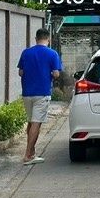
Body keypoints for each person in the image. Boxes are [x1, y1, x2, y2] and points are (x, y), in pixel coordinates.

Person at [17, 28, 62, 165]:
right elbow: (56, 74)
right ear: (48, 39)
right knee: (36, 124)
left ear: (36, 38)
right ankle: (28, 155)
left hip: (27, 93)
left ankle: (32, 153)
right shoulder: (52, 53)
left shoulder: (26, 52)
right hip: (42, 93)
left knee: (31, 123)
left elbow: (20, 72)